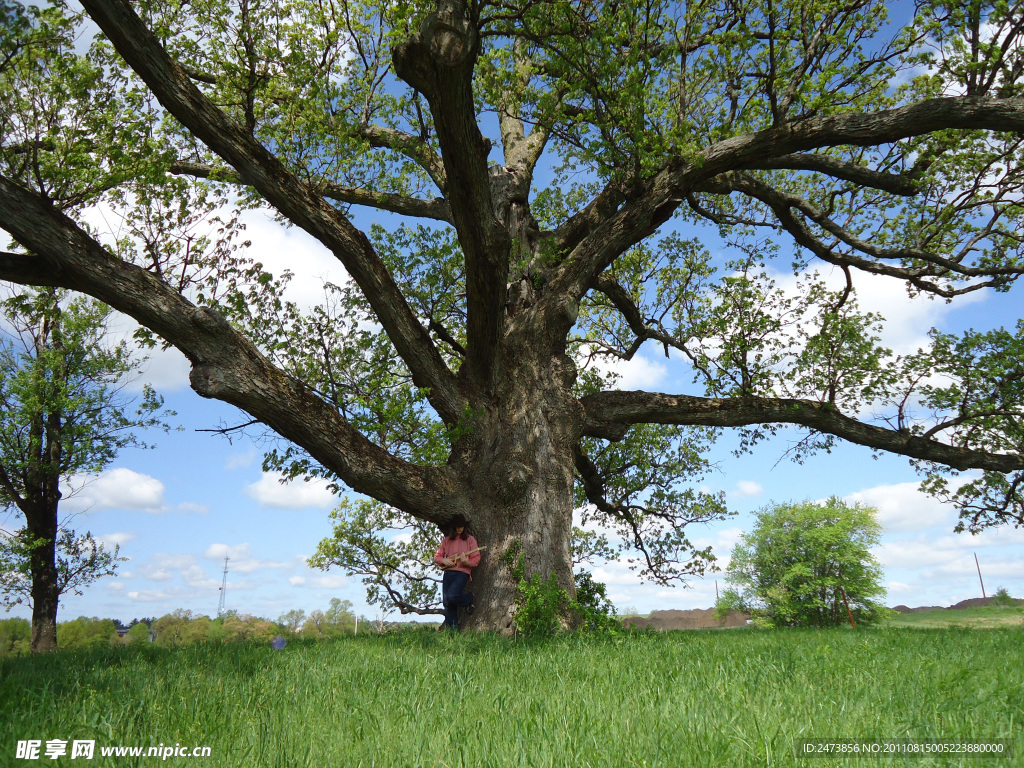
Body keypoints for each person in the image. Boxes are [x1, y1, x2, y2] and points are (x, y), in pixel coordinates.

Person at [433, 514, 481, 631]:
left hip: (462, 573)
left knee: (452, 596)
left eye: (462, 527)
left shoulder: (470, 540)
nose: (460, 529)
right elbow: (437, 556)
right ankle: (453, 631)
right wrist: (444, 560)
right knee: (447, 602)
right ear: (453, 528)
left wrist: (467, 561)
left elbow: (476, 558)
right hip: (448, 573)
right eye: (457, 527)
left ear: (465, 527)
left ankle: (469, 599)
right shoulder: (447, 540)